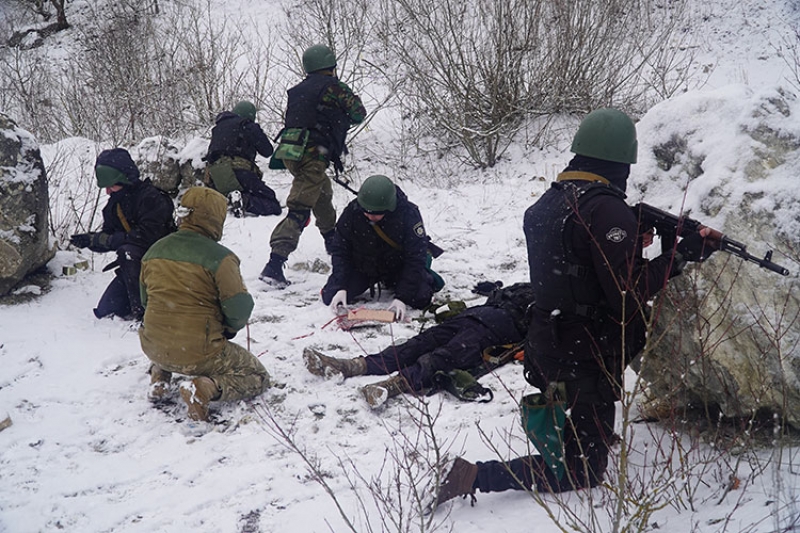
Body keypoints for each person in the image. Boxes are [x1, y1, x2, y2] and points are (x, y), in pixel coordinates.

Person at [434, 108, 718, 506]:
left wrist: (636, 240)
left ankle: (582, 423)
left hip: (548, 342)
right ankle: (474, 474)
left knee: (585, 417)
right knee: (581, 469)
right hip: (584, 352)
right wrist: (679, 255)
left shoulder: (548, 203)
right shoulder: (606, 210)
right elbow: (626, 292)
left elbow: (580, 266)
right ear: (622, 160)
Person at [138, 187, 271, 422]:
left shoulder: (154, 251)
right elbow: (239, 309)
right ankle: (204, 389)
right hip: (200, 353)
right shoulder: (220, 258)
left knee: (170, 333)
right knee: (258, 376)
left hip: (153, 345)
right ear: (216, 218)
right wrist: (228, 330)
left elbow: (145, 301)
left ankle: (159, 379)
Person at [305, 282, 535, 408]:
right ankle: (349, 366)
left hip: (491, 330)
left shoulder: (550, 304)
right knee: (417, 345)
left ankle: (391, 385)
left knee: (442, 357)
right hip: (473, 317)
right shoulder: (534, 291)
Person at [259, 43, 366, 287]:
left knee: (322, 194)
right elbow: (359, 113)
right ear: (330, 66)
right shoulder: (334, 87)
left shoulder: (298, 90)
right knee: (299, 207)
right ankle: (274, 264)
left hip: (290, 152)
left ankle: (334, 245)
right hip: (313, 154)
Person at [69, 148, 175, 321]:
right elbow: (109, 236)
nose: (108, 192)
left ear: (126, 179)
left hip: (164, 266)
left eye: (112, 186)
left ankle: (143, 315)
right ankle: (140, 301)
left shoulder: (152, 198)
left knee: (127, 251)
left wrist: (109, 240)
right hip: (137, 269)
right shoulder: (114, 205)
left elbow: (149, 237)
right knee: (106, 309)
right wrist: (91, 240)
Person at [320, 174, 442, 321]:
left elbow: (416, 257)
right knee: (330, 296)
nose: (371, 217)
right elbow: (340, 251)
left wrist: (402, 297)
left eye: (377, 214)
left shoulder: (408, 214)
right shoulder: (352, 211)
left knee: (421, 298)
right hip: (364, 267)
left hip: (397, 267)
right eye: (367, 212)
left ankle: (408, 283)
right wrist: (341, 286)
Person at [204, 100, 281, 217]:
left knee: (238, 189)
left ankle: (228, 199)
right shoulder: (247, 125)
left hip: (216, 177)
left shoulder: (218, 128)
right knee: (272, 204)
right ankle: (243, 201)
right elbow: (267, 151)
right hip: (239, 173)